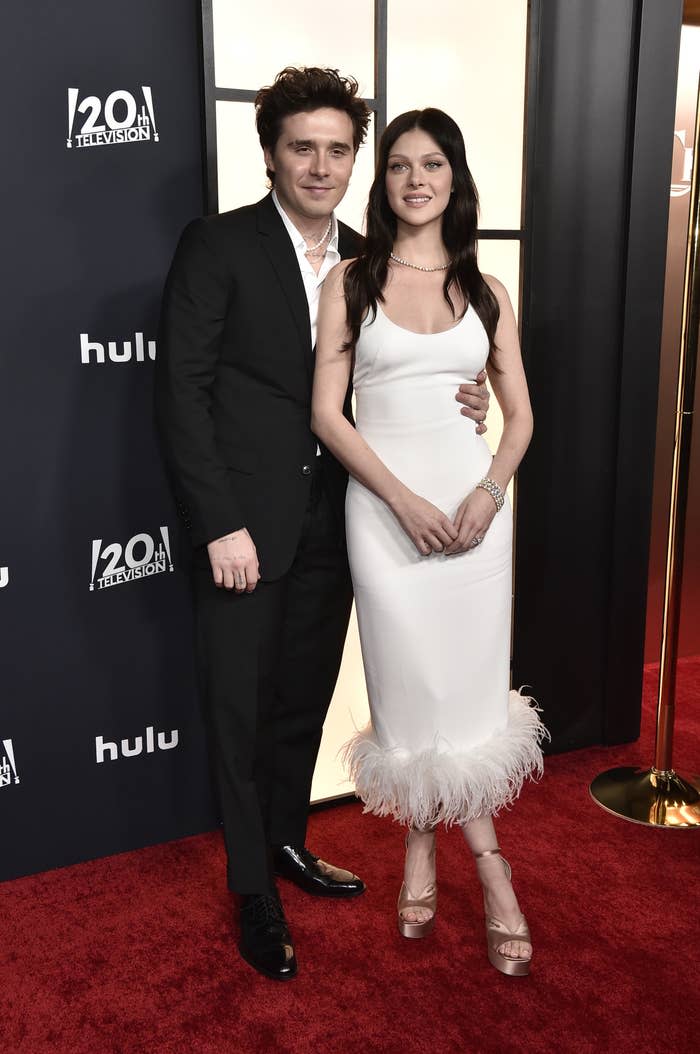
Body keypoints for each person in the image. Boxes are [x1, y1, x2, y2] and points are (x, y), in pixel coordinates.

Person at [155, 72, 492, 981]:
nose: (321, 165)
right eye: (302, 147)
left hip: (340, 520)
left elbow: (394, 374)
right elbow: (180, 393)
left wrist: (464, 388)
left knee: (303, 692)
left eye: (339, 149)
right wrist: (219, 523)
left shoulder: (367, 260)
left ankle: (287, 843)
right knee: (239, 704)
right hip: (244, 527)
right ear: (269, 152)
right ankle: (249, 891)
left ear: (356, 163)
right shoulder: (217, 245)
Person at [312, 108, 548, 977]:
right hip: (384, 514)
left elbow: (518, 416)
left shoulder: (486, 294)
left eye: (434, 163)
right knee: (411, 693)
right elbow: (324, 414)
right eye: (402, 165)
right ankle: (492, 871)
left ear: (455, 180)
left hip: (477, 518)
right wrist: (404, 501)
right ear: (386, 185)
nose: (417, 178)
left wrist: (489, 492)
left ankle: (425, 845)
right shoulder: (352, 279)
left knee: (469, 700)